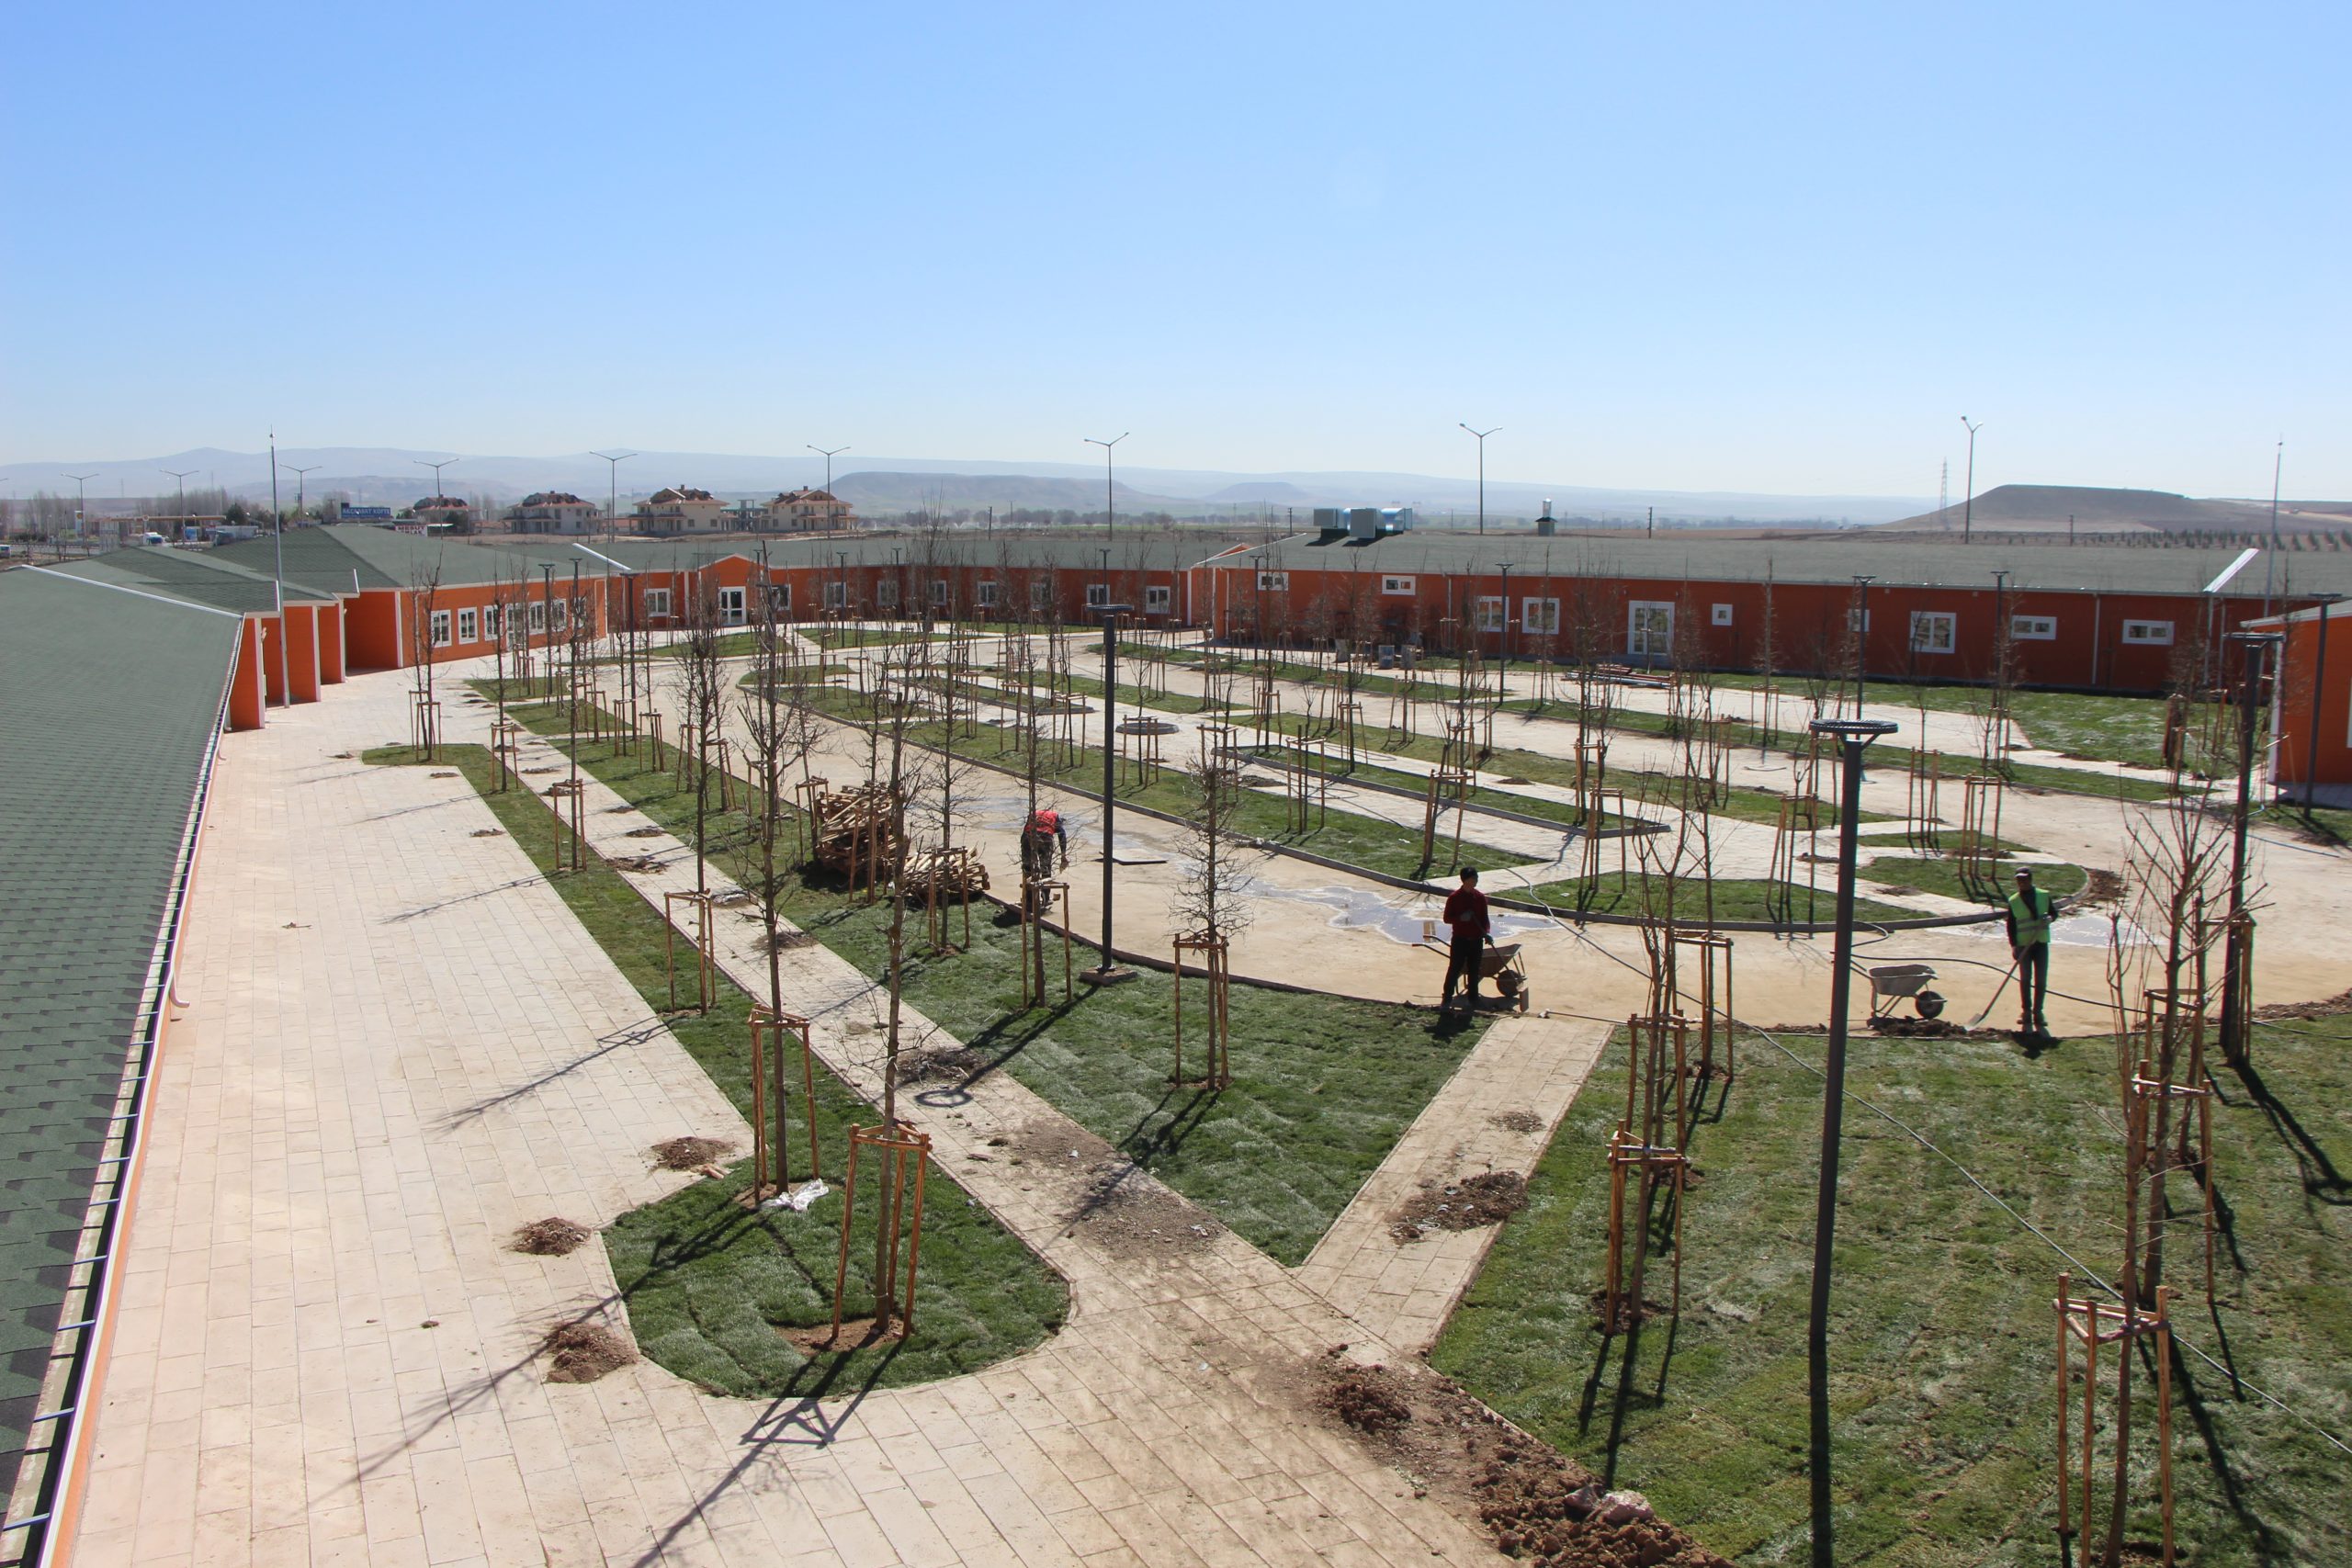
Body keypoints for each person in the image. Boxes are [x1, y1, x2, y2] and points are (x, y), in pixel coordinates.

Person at [2005, 866, 2058, 1036]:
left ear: (2030, 879)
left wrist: (2050, 918)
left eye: (2024, 879)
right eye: (2019, 880)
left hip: (2040, 943)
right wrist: (2014, 946)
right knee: (2025, 979)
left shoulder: (2043, 895)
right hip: (2023, 945)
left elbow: (2054, 913)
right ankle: (2026, 1012)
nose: (2022, 882)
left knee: (2041, 980)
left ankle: (2038, 1012)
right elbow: (2011, 925)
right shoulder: (2013, 900)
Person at [1440, 867, 1492, 1013]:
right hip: (1460, 940)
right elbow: (1447, 918)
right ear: (1465, 880)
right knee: (1455, 968)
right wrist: (1460, 918)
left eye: (1476, 878)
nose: (1476, 881)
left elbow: (1484, 919)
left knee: (1474, 970)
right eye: (1473, 878)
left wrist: (1487, 933)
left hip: (1476, 940)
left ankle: (1473, 999)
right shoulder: (1454, 898)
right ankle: (1447, 998)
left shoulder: (1480, 898)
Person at [1020, 807, 1067, 885]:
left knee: (1027, 869)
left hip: (1028, 837)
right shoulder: (1055, 817)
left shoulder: (1033, 813)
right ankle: (1045, 891)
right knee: (1045, 870)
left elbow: (1025, 831)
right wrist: (1063, 856)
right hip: (1045, 838)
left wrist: (1024, 847)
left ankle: (1028, 890)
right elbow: (1062, 834)